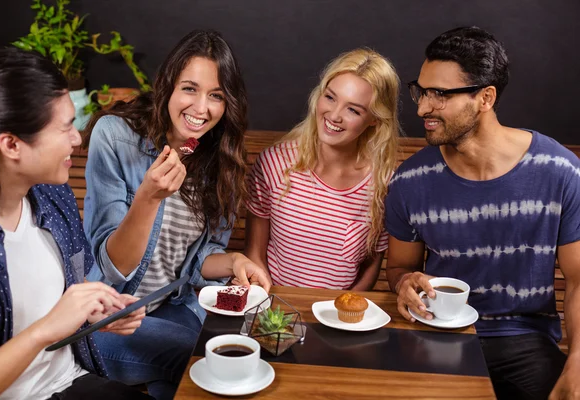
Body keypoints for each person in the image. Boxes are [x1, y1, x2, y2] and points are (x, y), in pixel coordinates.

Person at [385, 27, 580, 400]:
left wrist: (578, 360)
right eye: (422, 91)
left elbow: (579, 279)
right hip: (440, 333)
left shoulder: (560, 171)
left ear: (485, 97)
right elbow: (398, 271)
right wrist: (405, 282)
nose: (423, 107)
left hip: (525, 339)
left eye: (440, 94)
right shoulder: (410, 181)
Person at [82, 30, 271, 399]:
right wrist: (148, 198)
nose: (201, 109)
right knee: (203, 356)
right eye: (189, 89)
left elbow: (197, 262)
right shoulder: (116, 136)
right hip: (108, 316)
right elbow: (110, 264)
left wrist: (234, 260)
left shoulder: (221, 160)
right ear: (167, 85)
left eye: (216, 95)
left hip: (173, 306)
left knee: (228, 345)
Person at [0, 48, 150, 399]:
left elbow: (74, 285)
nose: (77, 138)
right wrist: (45, 330)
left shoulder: (53, 198)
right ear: (11, 144)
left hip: (68, 381)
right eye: (65, 127)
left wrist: (98, 311)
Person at [244, 48, 399, 290]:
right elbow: (254, 253)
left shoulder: (384, 184)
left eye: (353, 110)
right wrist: (275, 311)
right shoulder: (274, 163)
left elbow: (372, 265)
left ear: (375, 120)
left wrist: (343, 313)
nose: (334, 115)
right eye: (330, 97)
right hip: (274, 310)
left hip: (338, 317)